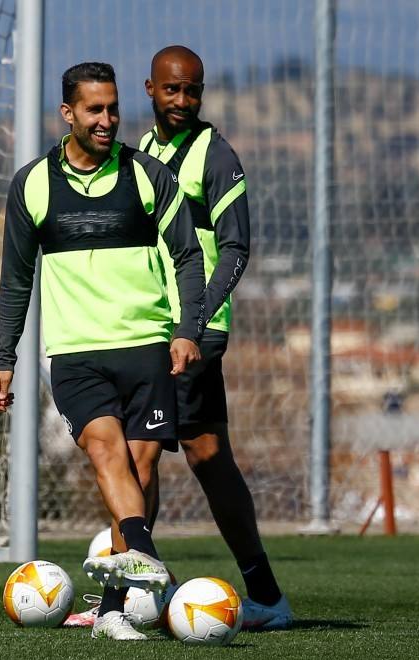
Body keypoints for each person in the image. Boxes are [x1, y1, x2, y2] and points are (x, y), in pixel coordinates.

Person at [0, 61, 206, 641]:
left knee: (142, 467)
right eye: (94, 110)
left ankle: (112, 608)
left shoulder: (148, 177)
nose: (108, 119)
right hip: (76, 352)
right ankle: (145, 556)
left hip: (146, 345)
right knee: (108, 453)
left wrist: (187, 330)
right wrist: (4, 357)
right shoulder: (32, 184)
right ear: (68, 114)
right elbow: (15, 280)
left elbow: (188, 255)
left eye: (113, 108)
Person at [140, 45, 291, 629]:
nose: (182, 100)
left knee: (140, 450)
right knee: (207, 456)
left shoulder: (215, 155)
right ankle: (268, 596)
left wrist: (196, 321)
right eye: (172, 89)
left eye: (192, 90)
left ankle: (130, 595)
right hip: (153, 324)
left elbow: (236, 247)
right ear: (150, 90)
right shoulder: (145, 153)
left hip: (192, 332)